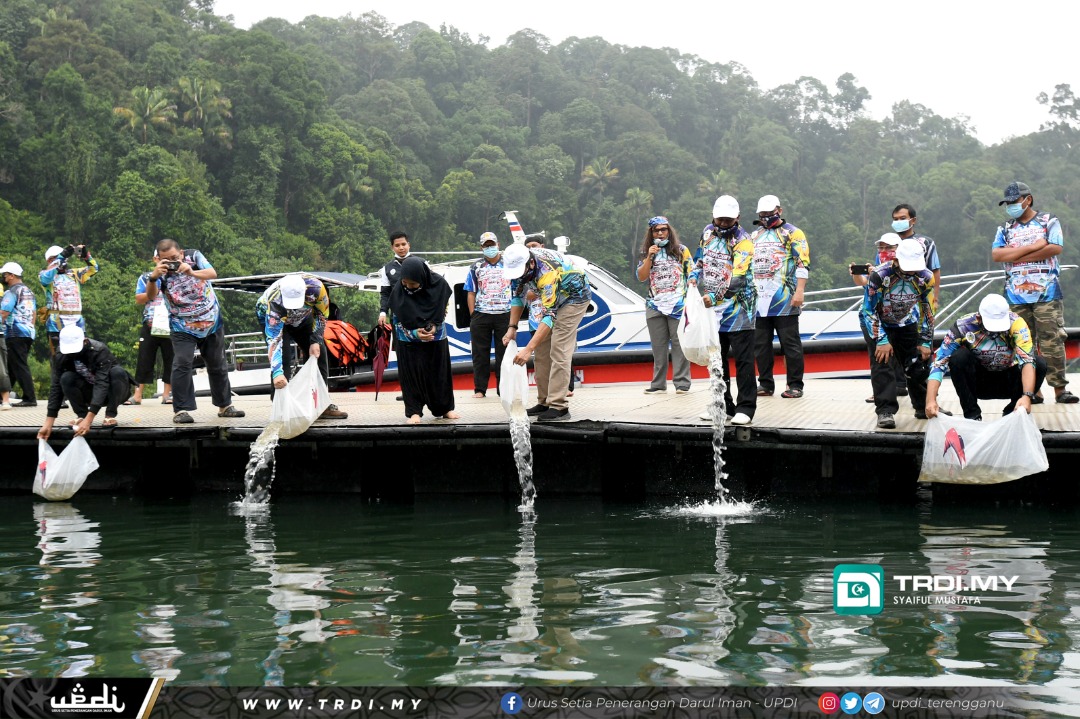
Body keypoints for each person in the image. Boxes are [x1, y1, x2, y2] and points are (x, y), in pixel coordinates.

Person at [991, 181, 1077, 404]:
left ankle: (1059, 389)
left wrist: (1017, 255)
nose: (1010, 206)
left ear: (1027, 199)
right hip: (1015, 294)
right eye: (1007, 203)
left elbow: (1055, 248)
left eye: (1014, 201)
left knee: (1053, 339)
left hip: (1047, 293)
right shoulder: (1005, 228)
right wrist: (1034, 247)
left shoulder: (1049, 221)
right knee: (1022, 342)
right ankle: (1033, 391)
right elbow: (998, 255)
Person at [144, 239, 245, 424]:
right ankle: (181, 409)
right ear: (156, 259)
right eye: (166, 260)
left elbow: (212, 273)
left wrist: (191, 271)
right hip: (182, 325)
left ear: (181, 253)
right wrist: (153, 277)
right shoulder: (156, 274)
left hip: (211, 320)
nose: (172, 263)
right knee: (182, 363)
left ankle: (225, 406)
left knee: (217, 363)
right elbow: (150, 296)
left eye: (175, 258)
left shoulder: (194, 257)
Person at [503, 243, 591, 421]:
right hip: (552, 299)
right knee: (542, 351)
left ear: (531, 264)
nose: (519, 277)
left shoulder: (547, 274)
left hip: (573, 298)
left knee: (559, 348)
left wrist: (527, 349)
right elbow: (518, 297)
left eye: (522, 273)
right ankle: (544, 402)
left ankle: (559, 406)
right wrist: (512, 327)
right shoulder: (516, 264)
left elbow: (550, 316)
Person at [689, 196, 757, 425]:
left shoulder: (743, 241)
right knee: (716, 358)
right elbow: (699, 260)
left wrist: (715, 296)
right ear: (713, 216)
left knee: (743, 360)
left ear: (737, 218)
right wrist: (692, 276)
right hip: (713, 310)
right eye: (720, 219)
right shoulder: (707, 233)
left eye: (729, 220)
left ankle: (746, 407)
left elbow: (738, 278)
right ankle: (722, 405)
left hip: (739, 310)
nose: (724, 224)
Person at [925, 293, 1046, 422]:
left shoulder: (1018, 324)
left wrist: (1027, 396)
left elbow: (1027, 360)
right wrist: (930, 400)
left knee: (1039, 363)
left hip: (1009, 381)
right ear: (979, 317)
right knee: (958, 357)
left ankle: (1013, 411)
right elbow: (939, 362)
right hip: (979, 382)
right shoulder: (962, 326)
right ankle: (972, 415)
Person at [861, 238, 938, 429]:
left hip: (907, 322)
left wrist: (926, 340)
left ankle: (923, 405)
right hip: (878, 322)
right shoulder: (880, 275)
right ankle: (885, 410)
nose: (911, 271)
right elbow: (868, 310)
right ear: (896, 259)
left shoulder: (926, 277)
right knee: (883, 362)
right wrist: (881, 339)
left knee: (917, 362)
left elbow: (928, 309)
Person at [256, 273, 347, 419]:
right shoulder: (275, 301)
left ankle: (321, 404)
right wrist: (277, 373)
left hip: (303, 317)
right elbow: (274, 341)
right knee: (283, 359)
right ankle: (281, 407)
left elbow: (322, 314)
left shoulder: (317, 289)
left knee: (319, 353)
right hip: (277, 319)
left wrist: (315, 340)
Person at [387, 257, 460, 424]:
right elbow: (397, 321)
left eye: (413, 284)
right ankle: (414, 412)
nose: (408, 287)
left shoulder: (439, 285)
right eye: (405, 283)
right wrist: (414, 333)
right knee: (411, 375)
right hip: (408, 341)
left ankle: (445, 408)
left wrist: (434, 326)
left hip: (435, 337)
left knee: (439, 374)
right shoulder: (399, 291)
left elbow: (443, 309)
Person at [751, 194, 809, 399]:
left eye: (770, 213)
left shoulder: (793, 233)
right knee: (760, 345)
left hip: (785, 298)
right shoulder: (754, 236)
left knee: (790, 343)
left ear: (780, 211)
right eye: (763, 214)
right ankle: (765, 384)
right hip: (758, 301)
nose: (766, 217)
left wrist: (800, 291)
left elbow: (802, 263)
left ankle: (795, 385)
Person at [37, 325, 134, 438]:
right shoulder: (60, 355)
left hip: (112, 392)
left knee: (118, 372)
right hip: (89, 392)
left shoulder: (99, 350)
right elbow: (56, 387)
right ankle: (81, 415)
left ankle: (110, 414)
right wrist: (48, 424)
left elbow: (101, 383)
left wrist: (89, 420)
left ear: (85, 341)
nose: (72, 353)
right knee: (66, 378)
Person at [636, 216, 693, 395]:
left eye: (663, 229)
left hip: (677, 304)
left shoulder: (681, 250)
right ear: (651, 233)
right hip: (655, 305)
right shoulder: (646, 252)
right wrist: (649, 257)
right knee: (658, 347)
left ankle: (682, 384)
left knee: (679, 345)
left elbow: (691, 272)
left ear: (669, 231)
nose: (660, 233)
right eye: (656, 230)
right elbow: (641, 276)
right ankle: (658, 384)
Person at [851, 233, 909, 401]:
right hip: (873, 318)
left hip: (899, 318)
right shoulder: (876, 269)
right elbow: (862, 282)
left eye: (889, 248)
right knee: (879, 358)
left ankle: (902, 386)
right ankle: (882, 395)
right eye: (881, 248)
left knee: (902, 355)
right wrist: (858, 273)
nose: (884, 251)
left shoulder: (909, 268)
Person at [464, 231, 512, 398]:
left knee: (504, 353)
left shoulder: (509, 264)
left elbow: (517, 289)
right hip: (481, 314)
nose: (490, 248)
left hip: (504, 313)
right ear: (481, 247)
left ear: (498, 245)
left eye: (492, 244)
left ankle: (503, 388)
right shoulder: (476, 267)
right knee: (479, 353)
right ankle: (480, 389)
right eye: (486, 245)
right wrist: (473, 315)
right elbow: (471, 291)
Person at [39, 244, 98, 354]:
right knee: (59, 357)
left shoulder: (74, 274)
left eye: (64, 257)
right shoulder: (45, 275)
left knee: (82, 355)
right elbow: (45, 279)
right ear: (49, 261)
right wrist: (60, 257)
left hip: (77, 320)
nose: (62, 260)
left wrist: (86, 256)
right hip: (57, 323)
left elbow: (94, 269)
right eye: (56, 257)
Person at [133, 253, 173, 405]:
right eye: (161, 258)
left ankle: (167, 394)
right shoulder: (145, 277)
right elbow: (138, 299)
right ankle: (137, 394)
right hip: (150, 322)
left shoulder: (175, 278)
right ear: (155, 259)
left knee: (171, 358)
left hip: (171, 323)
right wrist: (152, 288)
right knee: (144, 357)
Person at [0, 261, 37, 407]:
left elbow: (4, 312)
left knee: (19, 365)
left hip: (15, 331)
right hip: (28, 331)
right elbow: (33, 313)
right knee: (13, 365)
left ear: (11, 276)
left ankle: (30, 397)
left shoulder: (12, 292)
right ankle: (3, 394)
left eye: (5, 275)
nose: (3, 277)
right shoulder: (28, 291)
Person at [890, 204, 942, 306]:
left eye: (903, 218)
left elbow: (935, 270)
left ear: (913, 220)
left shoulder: (925, 243)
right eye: (895, 219)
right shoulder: (888, 243)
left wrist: (935, 298)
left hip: (921, 297)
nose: (899, 222)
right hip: (893, 298)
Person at [378, 231, 412, 328]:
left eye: (403, 244)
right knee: (399, 342)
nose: (401, 248)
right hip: (398, 315)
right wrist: (383, 313)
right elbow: (385, 293)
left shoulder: (422, 263)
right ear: (392, 247)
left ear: (409, 245)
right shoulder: (386, 269)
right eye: (397, 245)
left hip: (419, 313)